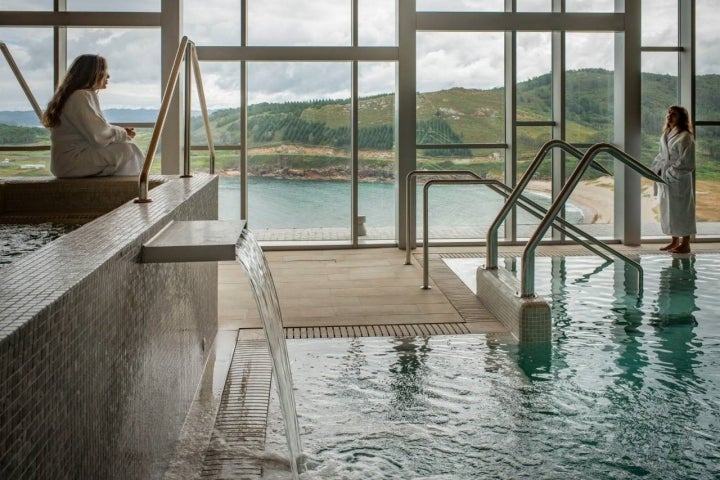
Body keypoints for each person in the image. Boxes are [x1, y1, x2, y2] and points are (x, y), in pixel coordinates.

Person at [41, 54, 144, 178]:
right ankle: (134, 189)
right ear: (94, 74)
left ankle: (129, 185)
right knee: (128, 150)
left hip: (65, 162)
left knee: (126, 149)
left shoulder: (76, 95)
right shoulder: (80, 96)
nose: (108, 76)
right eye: (105, 71)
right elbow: (99, 135)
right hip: (71, 162)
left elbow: (96, 130)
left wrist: (121, 132)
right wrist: (123, 133)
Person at [651, 105, 696, 254]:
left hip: (679, 178)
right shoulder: (666, 133)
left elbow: (687, 162)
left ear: (681, 118)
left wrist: (671, 172)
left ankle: (686, 244)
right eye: (668, 113)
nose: (669, 116)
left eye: (674, 114)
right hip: (665, 177)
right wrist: (657, 169)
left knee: (683, 211)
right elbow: (661, 155)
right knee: (669, 210)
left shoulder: (685, 136)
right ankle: (674, 241)